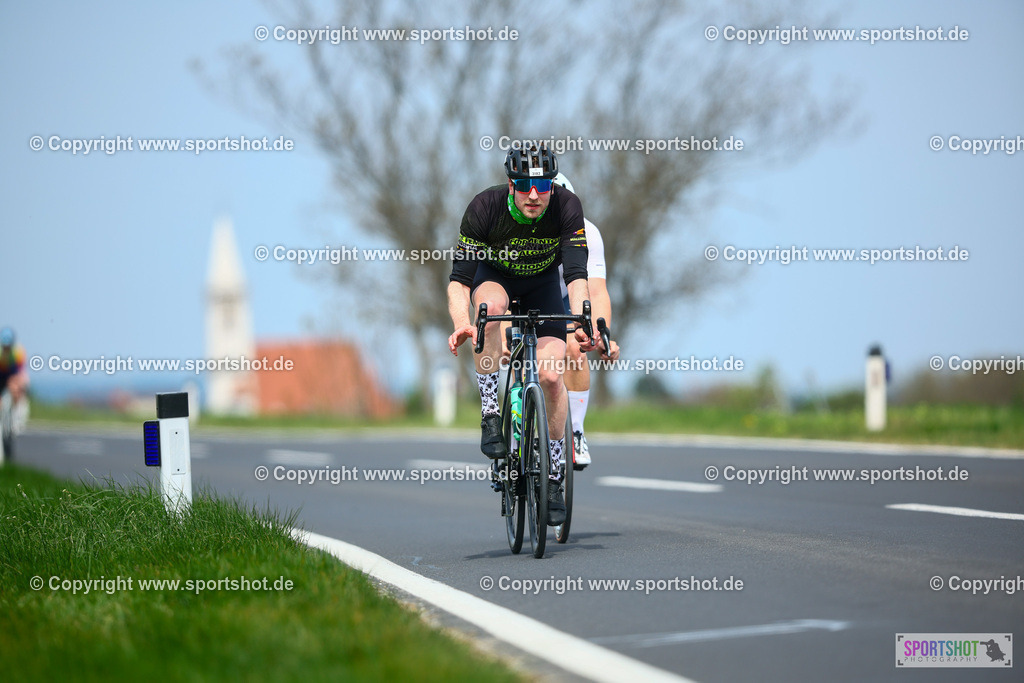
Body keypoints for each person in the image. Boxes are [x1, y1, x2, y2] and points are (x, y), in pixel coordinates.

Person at [447, 145, 595, 526]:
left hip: (543, 286)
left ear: (551, 184)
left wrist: (582, 320)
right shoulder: (485, 207)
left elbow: (578, 275)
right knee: (490, 311)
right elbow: (460, 282)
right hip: (494, 279)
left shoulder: (567, 206)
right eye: (525, 185)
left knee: (549, 376)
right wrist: (463, 322)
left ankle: (555, 472)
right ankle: (491, 414)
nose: (534, 194)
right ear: (511, 184)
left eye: (542, 185)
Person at [552, 173, 620, 469]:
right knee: (524, 350)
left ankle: (576, 431)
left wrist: (601, 334)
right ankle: (518, 433)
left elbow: (597, 291)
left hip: (568, 296)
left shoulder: (587, 233)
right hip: (527, 292)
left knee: (575, 347)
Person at [0, 327, 29, 435]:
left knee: (16, 388)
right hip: (1, 375)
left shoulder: (18, 352)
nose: (6, 348)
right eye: (4, 346)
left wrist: (21, 384)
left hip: (13, 374)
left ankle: (16, 415)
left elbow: (21, 372)